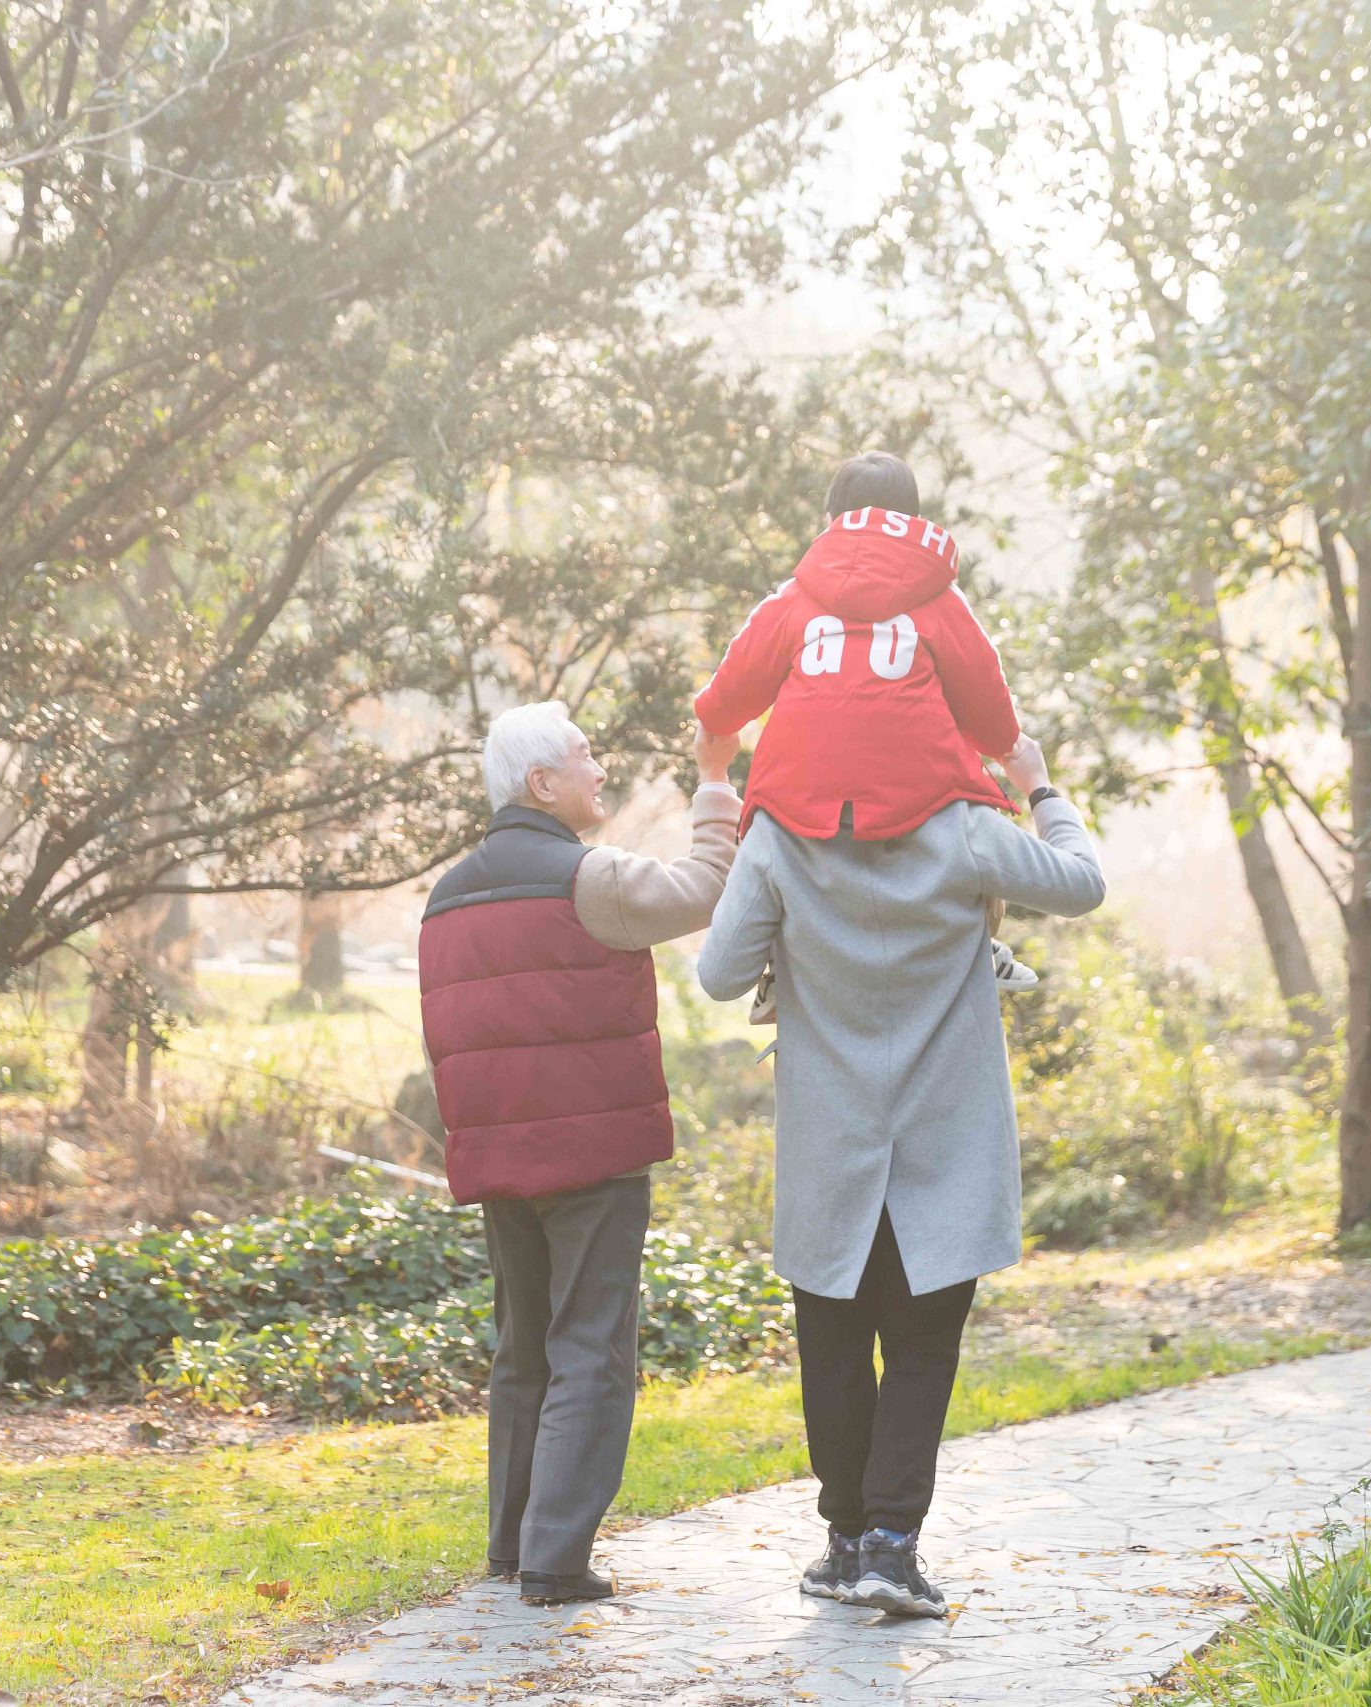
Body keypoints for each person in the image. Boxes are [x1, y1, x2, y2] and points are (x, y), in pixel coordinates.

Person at [697, 730, 1103, 1618]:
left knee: (833, 1346)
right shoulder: (962, 827)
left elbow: (718, 973)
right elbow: (1083, 882)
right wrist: (1036, 783)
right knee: (921, 1349)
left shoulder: (778, 838)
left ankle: (846, 1545)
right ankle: (889, 1546)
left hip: (830, 1144)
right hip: (944, 1145)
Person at [418, 701, 742, 1606]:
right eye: (585, 756)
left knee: (524, 1347)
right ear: (542, 783)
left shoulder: (445, 895)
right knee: (591, 1348)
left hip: (498, 1159)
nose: (600, 770)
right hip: (592, 1158)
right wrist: (715, 783)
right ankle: (557, 1559)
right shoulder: (587, 877)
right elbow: (705, 887)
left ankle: (513, 1545)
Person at [694, 449, 1040, 1015]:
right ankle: (981, 937)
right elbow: (989, 705)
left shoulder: (794, 598)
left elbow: (725, 701)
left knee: (774, 843)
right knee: (977, 826)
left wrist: (714, 737)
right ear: (913, 519)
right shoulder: (941, 600)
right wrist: (1004, 751)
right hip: (922, 795)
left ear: (831, 519)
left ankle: (776, 960)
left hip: (799, 800)